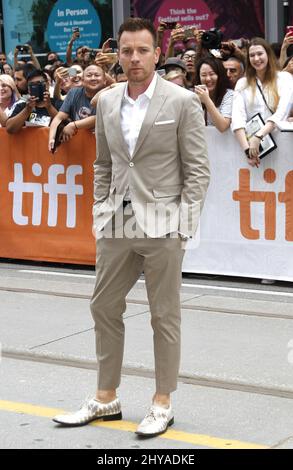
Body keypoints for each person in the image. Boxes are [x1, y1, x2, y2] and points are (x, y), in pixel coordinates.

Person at [52, 17, 210, 437]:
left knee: (164, 315)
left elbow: (197, 169)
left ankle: (162, 401)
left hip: (163, 224)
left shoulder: (180, 101)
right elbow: (103, 163)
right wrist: (100, 211)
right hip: (115, 221)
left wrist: (184, 225)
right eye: (127, 51)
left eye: (143, 50)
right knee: (103, 306)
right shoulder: (105, 101)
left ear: (156, 54)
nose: (135, 58)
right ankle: (106, 397)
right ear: (117, 56)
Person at [232, 37, 293, 167]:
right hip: (255, 150)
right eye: (252, 55)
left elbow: (282, 112)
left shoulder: (284, 78)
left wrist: (259, 135)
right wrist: (248, 151)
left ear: (268, 54)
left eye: (260, 54)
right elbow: (238, 119)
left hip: (284, 147)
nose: (256, 59)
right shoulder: (242, 83)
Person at [48, 64, 106, 149]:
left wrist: (73, 125)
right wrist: (51, 138)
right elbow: (59, 117)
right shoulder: (73, 92)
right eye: (89, 75)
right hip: (80, 149)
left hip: (103, 148)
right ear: (83, 79)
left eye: (96, 75)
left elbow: (100, 117)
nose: (93, 78)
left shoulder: (109, 93)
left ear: (105, 81)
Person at [194, 56, 234, 132]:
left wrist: (206, 100)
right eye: (203, 75)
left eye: (212, 74)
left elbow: (223, 126)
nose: (208, 79)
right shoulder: (194, 96)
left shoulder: (229, 95)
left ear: (220, 75)